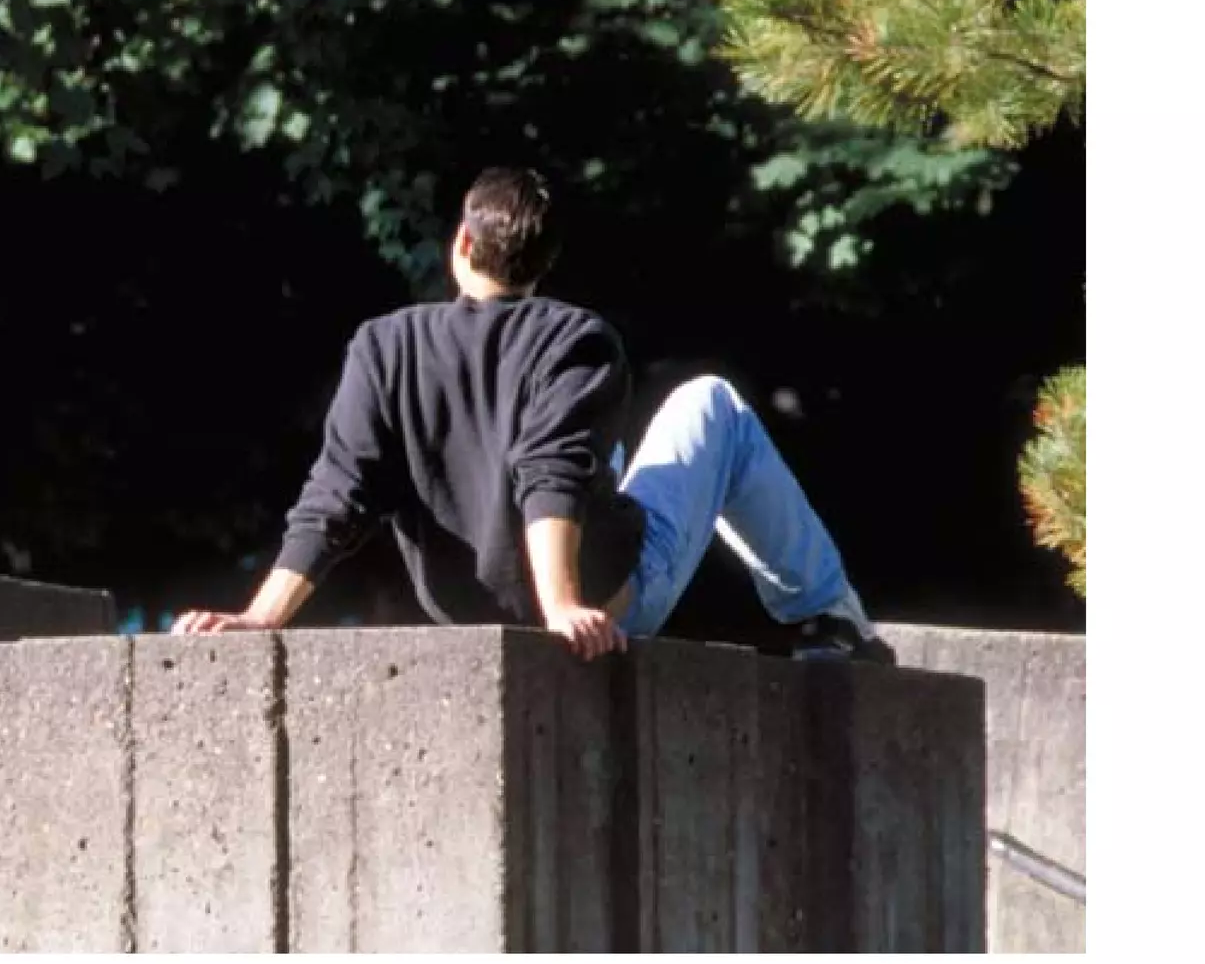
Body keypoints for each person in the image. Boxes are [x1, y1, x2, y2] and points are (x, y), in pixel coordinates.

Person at [172, 165, 892, 665]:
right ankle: (831, 615)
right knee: (711, 404)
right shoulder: (577, 338)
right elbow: (550, 474)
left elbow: (339, 491)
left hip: (465, 609)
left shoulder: (383, 345)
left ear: (462, 244)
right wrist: (563, 609)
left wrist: (260, 618)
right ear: (546, 262)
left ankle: (820, 610)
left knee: (598, 454)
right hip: (600, 602)